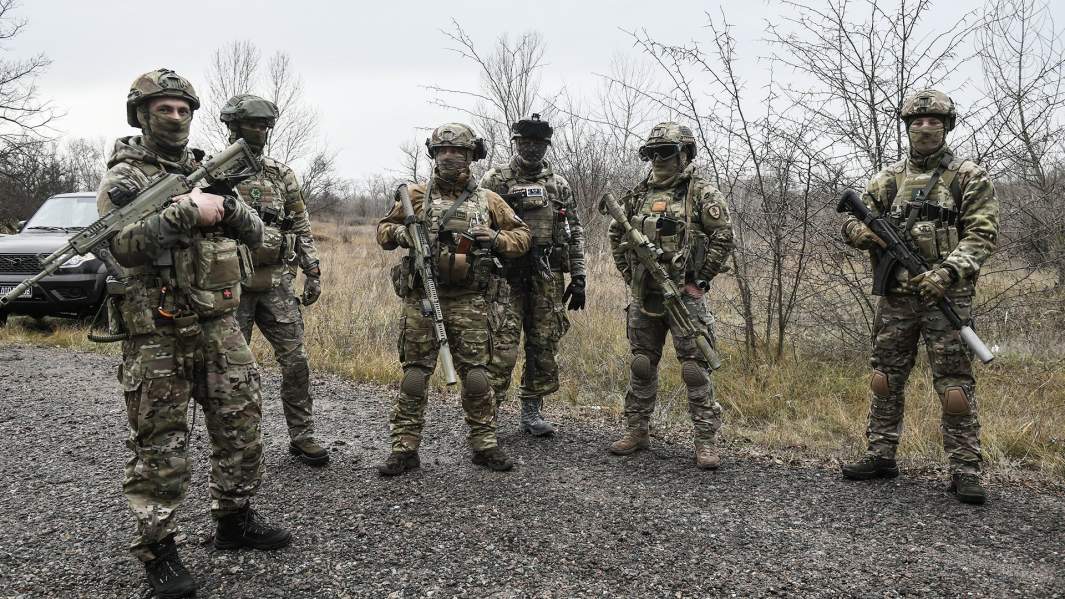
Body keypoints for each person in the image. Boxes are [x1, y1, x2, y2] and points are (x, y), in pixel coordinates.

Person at [97, 68, 290, 599]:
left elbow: (261, 236)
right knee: (160, 444)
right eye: (164, 108)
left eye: (183, 109)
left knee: (242, 423)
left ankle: (234, 519)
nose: (176, 118)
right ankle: (158, 550)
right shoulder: (124, 180)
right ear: (141, 115)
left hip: (219, 323)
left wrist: (226, 204)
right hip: (156, 331)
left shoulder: (208, 170)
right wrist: (186, 210)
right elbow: (124, 247)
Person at [840, 89, 999, 505]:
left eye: (934, 121)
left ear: (947, 127)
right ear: (907, 127)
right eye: (918, 121)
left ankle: (965, 469)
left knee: (954, 387)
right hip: (897, 298)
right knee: (884, 378)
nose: (925, 128)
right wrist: (861, 233)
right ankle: (880, 455)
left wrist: (946, 272)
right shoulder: (888, 179)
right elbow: (850, 224)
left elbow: (982, 234)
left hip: (947, 297)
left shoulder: (968, 177)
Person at [376, 122, 531, 475]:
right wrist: (403, 233)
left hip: (469, 301)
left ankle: (484, 444)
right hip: (422, 298)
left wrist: (495, 238)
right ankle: (404, 447)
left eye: (458, 151)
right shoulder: (415, 196)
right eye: (442, 150)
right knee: (415, 375)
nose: (449, 156)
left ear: (471, 156)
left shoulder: (488, 200)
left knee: (476, 377)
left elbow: (522, 236)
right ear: (433, 154)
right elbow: (383, 230)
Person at [607, 122, 735, 469]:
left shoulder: (701, 192)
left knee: (694, 368)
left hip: (684, 296)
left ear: (684, 154)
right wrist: (630, 276)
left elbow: (723, 236)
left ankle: (705, 440)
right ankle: (637, 430)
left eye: (665, 152)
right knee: (641, 363)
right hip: (645, 294)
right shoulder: (638, 194)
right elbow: (616, 234)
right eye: (651, 153)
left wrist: (701, 281)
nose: (658, 159)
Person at [221, 94, 328, 466]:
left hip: (277, 282)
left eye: (266, 125)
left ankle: (302, 436)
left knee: (296, 361)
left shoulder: (280, 174)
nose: (261, 131)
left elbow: (300, 224)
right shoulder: (214, 173)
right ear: (234, 126)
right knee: (233, 369)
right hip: (232, 282)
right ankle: (238, 441)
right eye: (254, 124)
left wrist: (312, 270)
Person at [481, 114, 586, 436]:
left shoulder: (558, 185)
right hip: (506, 277)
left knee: (543, 346)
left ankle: (531, 412)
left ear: (546, 146)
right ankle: (487, 416)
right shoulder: (495, 180)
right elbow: (478, 226)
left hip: (547, 276)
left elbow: (574, 231)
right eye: (525, 143)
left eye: (538, 144)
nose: (531, 149)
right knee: (501, 347)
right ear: (515, 143)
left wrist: (579, 276)